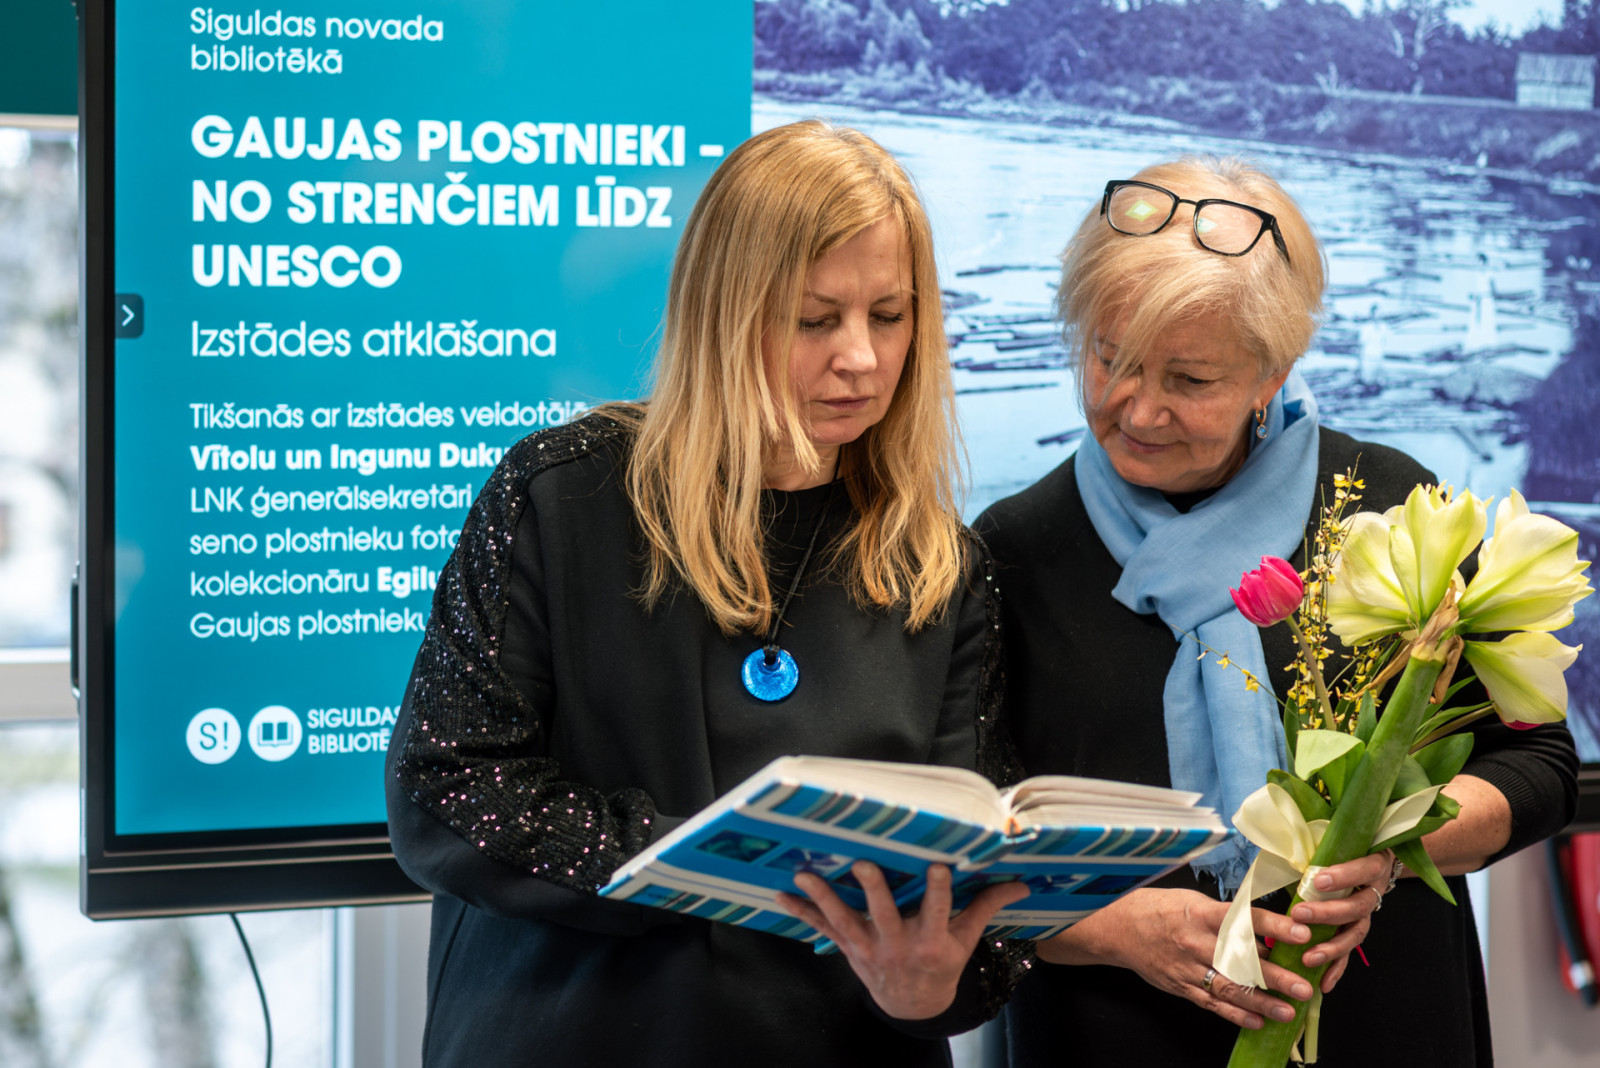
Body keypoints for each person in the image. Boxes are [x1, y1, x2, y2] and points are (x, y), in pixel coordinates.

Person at [384, 119, 1030, 1067]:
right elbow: (447, 790)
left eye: (889, 315)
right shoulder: (562, 496)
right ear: (726, 312)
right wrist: (714, 862)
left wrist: (934, 983)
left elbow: (981, 912)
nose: (860, 357)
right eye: (815, 319)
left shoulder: (944, 568)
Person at [977, 157, 1578, 1066]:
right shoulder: (1012, 550)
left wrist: (1390, 844)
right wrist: (1117, 927)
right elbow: (969, 862)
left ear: (1273, 371)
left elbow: (1538, 763)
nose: (1138, 408)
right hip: (1115, 1033)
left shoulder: (1389, 508)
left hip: (1387, 1020)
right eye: (1109, 358)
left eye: (1190, 380)